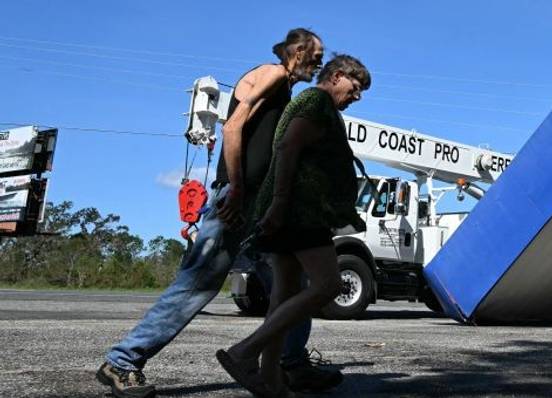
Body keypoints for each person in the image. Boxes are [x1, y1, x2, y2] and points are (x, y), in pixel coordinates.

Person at [96, 28, 339, 398]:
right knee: (199, 282)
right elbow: (233, 127)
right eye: (317, 53)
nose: (321, 60)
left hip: (256, 206)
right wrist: (237, 189)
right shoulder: (272, 75)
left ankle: (292, 365)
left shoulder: (284, 88)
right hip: (238, 201)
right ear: (298, 50)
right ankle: (123, 361)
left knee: (291, 287)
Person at [217, 54, 370, 397]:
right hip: (301, 209)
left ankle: (272, 381)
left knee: (283, 294)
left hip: (290, 209)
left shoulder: (314, 104)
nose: (357, 96)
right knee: (328, 285)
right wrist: (281, 203)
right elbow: (288, 147)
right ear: (337, 76)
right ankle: (245, 352)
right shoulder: (316, 100)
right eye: (355, 87)